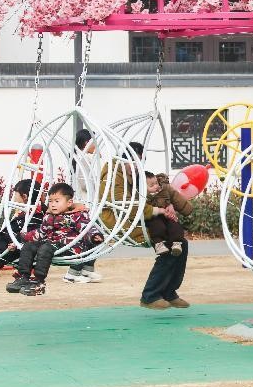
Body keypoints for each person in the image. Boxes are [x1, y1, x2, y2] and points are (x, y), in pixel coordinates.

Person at [101, 142, 191, 310]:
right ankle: (150, 296)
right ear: (124, 159)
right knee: (167, 244)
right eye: (134, 162)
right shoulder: (114, 174)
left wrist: (167, 204)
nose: (136, 166)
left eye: (139, 162)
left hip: (136, 216)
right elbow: (123, 204)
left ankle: (169, 292)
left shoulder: (130, 173)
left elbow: (148, 192)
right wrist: (157, 210)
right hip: (121, 221)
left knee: (181, 243)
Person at [6, 183, 103, 297]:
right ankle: (23, 277)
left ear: (69, 202)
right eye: (51, 201)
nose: (53, 205)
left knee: (45, 248)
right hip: (52, 245)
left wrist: (94, 236)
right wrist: (22, 238)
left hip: (70, 248)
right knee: (29, 246)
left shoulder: (78, 216)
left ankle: (39, 281)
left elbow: (86, 228)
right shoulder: (49, 216)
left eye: (57, 201)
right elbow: (41, 233)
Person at [65, 128, 102, 284]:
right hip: (86, 204)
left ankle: (87, 269)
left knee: (96, 235)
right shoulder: (84, 158)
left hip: (88, 203)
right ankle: (73, 272)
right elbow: (85, 183)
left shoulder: (82, 157)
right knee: (89, 237)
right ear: (87, 143)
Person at [144, 171, 191, 256]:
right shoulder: (143, 196)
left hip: (166, 215)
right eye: (151, 185)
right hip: (153, 217)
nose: (156, 186)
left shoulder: (164, 190)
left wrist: (171, 206)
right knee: (157, 226)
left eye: (156, 183)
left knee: (175, 224)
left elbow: (172, 198)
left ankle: (176, 243)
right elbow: (145, 209)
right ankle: (159, 244)